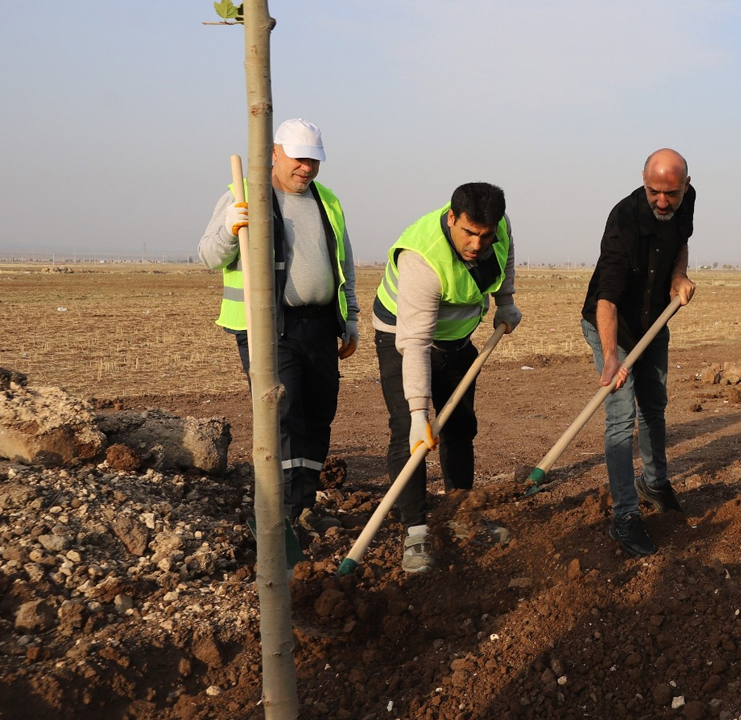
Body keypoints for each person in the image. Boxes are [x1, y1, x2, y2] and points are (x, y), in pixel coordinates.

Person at [198, 118, 358, 534]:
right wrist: (231, 230)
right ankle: (277, 513)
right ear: (274, 153)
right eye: (299, 159)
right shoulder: (243, 195)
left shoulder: (329, 202)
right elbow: (207, 256)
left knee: (319, 414)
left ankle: (304, 505)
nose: (307, 168)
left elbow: (344, 263)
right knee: (283, 416)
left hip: (320, 325)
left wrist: (351, 316)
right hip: (267, 329)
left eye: (314, 161)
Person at [372, 182, 520, 573]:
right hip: (403, 339)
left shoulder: (497, 230)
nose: (477, 244)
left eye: (485, 235)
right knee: (409, 431)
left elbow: (505, 260)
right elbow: (416, 345)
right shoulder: (422, 258)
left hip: (457, 339)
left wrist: (505, 302)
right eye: (469, 233)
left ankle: (460, 515)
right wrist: (420, 412)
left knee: (460, 427)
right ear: (451, 218)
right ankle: (416, 532)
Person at [581, 148, 697, 557]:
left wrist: (679, 274)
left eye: (671, 194)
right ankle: (625, 517)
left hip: (653, 323)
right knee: (620, 415)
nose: (662, 202)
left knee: (655, 405)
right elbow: (607, 297)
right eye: (653, 192)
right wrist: (612, 356)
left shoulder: (687, 200)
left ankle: (654, 482)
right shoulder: (623, 222)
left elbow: (682, 238)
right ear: (642, 181)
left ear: (685, 185)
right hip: (612, 326)